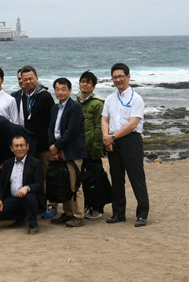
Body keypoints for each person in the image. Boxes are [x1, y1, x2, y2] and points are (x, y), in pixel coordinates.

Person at [102, 63, 149, 227]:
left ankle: (142, 214)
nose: (118, 79)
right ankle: (118, 213)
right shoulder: (110, 98)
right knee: (116, 178)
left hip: (131, 140)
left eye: (121, 76)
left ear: (128, 77)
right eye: (115, 77)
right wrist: (106, 137)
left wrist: (112, 136)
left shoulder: (136, 99)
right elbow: (105, 119)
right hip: (113, 141)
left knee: (136, 178)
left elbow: (133, 124)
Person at [48, 78, 87, 228]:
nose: (60, 92)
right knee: (63, 182)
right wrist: (53, 147)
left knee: (75, 184)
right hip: (58, 149)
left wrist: (57, 146)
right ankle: (68, 213)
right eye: (57, 89)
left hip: (73, 151)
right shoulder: (54, 108)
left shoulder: (74, 107)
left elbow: (71, 131)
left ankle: (78, 216)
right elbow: (51, 128)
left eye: (63, 89)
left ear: (70, 90)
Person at [18, 65, 56, 217]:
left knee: (49, 176)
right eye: (24, 79)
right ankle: (39, 206)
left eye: (30, 79)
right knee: (34, 177)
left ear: (37, 78)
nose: (28, 82)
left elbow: (53, 121)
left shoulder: (45, 96)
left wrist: (53, 143)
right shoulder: (24, 96)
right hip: (30, 146)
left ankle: (52, 206)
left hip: (45, 145)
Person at [0, 135, 44, 235]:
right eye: (16, 146)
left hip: (30, 197)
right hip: (13, 198)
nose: (19, 149)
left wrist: (27, 188)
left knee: (30, 197)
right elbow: (0, 184)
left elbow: (39, 184)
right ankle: (21, 216)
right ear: (11, 148)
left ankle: (33, 224)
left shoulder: (36, 163)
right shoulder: (7, 163)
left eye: (22, 145)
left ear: (27, 147)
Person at [77, 70, 106, 218]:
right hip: (79, 149)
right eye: (82, 81)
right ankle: (87, 205)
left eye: (88, 82)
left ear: (93, 86)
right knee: (83, 180)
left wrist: (96, 150)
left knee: (95, 179)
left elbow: (98, 127)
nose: (84, 84)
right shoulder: (76, 102)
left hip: (91, 150)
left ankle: (97, 207)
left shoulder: (97, 104)